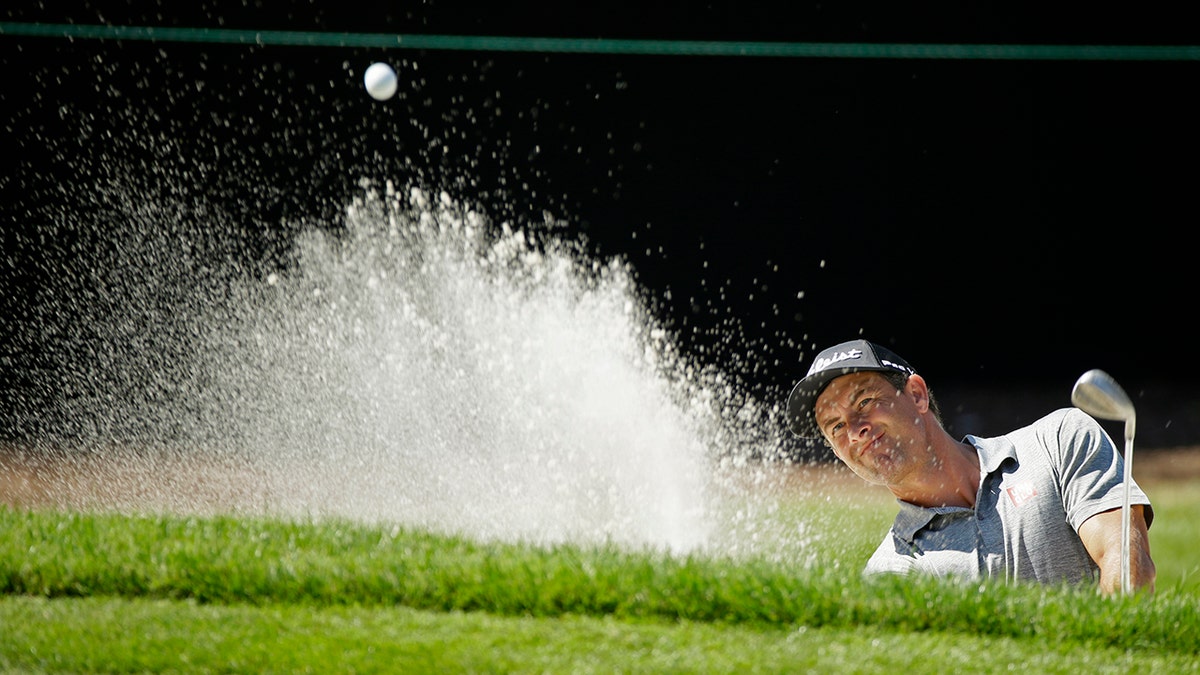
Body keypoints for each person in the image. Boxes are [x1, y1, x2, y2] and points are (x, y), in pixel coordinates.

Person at [785, 339, 1155, 594]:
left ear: (916, 395)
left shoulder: (1058, 440)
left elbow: (1124, 563)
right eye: (835, 427)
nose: (854, 431)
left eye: (864, 402)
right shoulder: (890, 574)